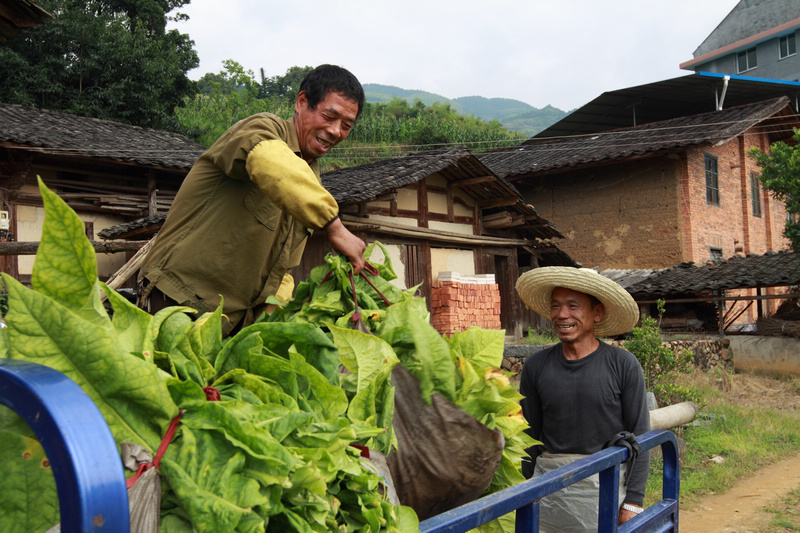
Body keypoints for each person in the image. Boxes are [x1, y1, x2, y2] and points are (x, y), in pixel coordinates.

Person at [137, 64, 366, 335]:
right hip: (178, 303)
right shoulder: (263, 129)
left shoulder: (312, 180)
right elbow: (267, 159)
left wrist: (276, 320)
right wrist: (334, 226)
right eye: (330, 116)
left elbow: (282, 267)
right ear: (302, 102)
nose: (336, 131)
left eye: (346, 126)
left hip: (232, 325)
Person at [515, 266, 651, 531]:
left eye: (573, 306)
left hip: (604, 485)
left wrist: (633, 502)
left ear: (596, 313)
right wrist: (524, 490)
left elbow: (640, 435)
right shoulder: (536, 367)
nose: (562, 315)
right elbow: (529, 437)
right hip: (550, 487)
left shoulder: (623, 364)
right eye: (556, 306)